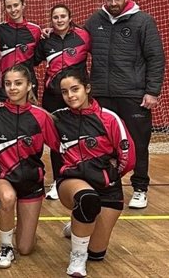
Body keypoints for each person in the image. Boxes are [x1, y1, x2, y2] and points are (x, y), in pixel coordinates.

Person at [84, 0, 164, 209]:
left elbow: (155, 58)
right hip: (101, 94)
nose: (113, 3)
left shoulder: (143, 21)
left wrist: (152, 91)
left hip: (133, 94)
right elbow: (76, 41)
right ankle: (104, 185)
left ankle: (140, 188)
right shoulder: (95, 20)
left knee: (138, 143)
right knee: (102, 143)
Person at [53, 70, 135, 277]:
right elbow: (29, 118)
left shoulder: (109, 119)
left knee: (97, 254)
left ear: (87, 89)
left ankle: (76, 226)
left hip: (106, 187)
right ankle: (77, 257)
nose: (70, 95)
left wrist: (108, 176)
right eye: (65, 92)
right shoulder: (58, 118)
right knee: (87, 199)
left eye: (75, 89)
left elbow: (128, 157)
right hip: (72, 182)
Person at [0, 64, 60, 269]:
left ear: (29, 86)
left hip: (31, 182)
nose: (12, 88)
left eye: (18, 83)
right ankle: (6, 247)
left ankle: (24, 233)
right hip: (2, 176)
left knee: (26, 248)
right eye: (8, 84)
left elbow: (60, 147)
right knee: (7, 198)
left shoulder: (41, 116)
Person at [34, 4, 90, 200]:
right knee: (57, 141)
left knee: (80, 138)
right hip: (53, 97)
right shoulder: (46, 40)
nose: (59, 20)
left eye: (62, 16)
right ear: (51, 20)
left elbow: (99, 59)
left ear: (69, 17)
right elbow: (30, 61)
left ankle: (83, 179)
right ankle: (59, 182)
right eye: (55, 17)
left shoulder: (84, 36)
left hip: (78, 97)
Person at [0, 0, 41, 101]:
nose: (13, 10)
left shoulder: (36, 30)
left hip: (28, 85)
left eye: (16, 5)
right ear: (5, 9)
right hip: (5, 86)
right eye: (9, 7)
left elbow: (37, 58)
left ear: (23, 5)